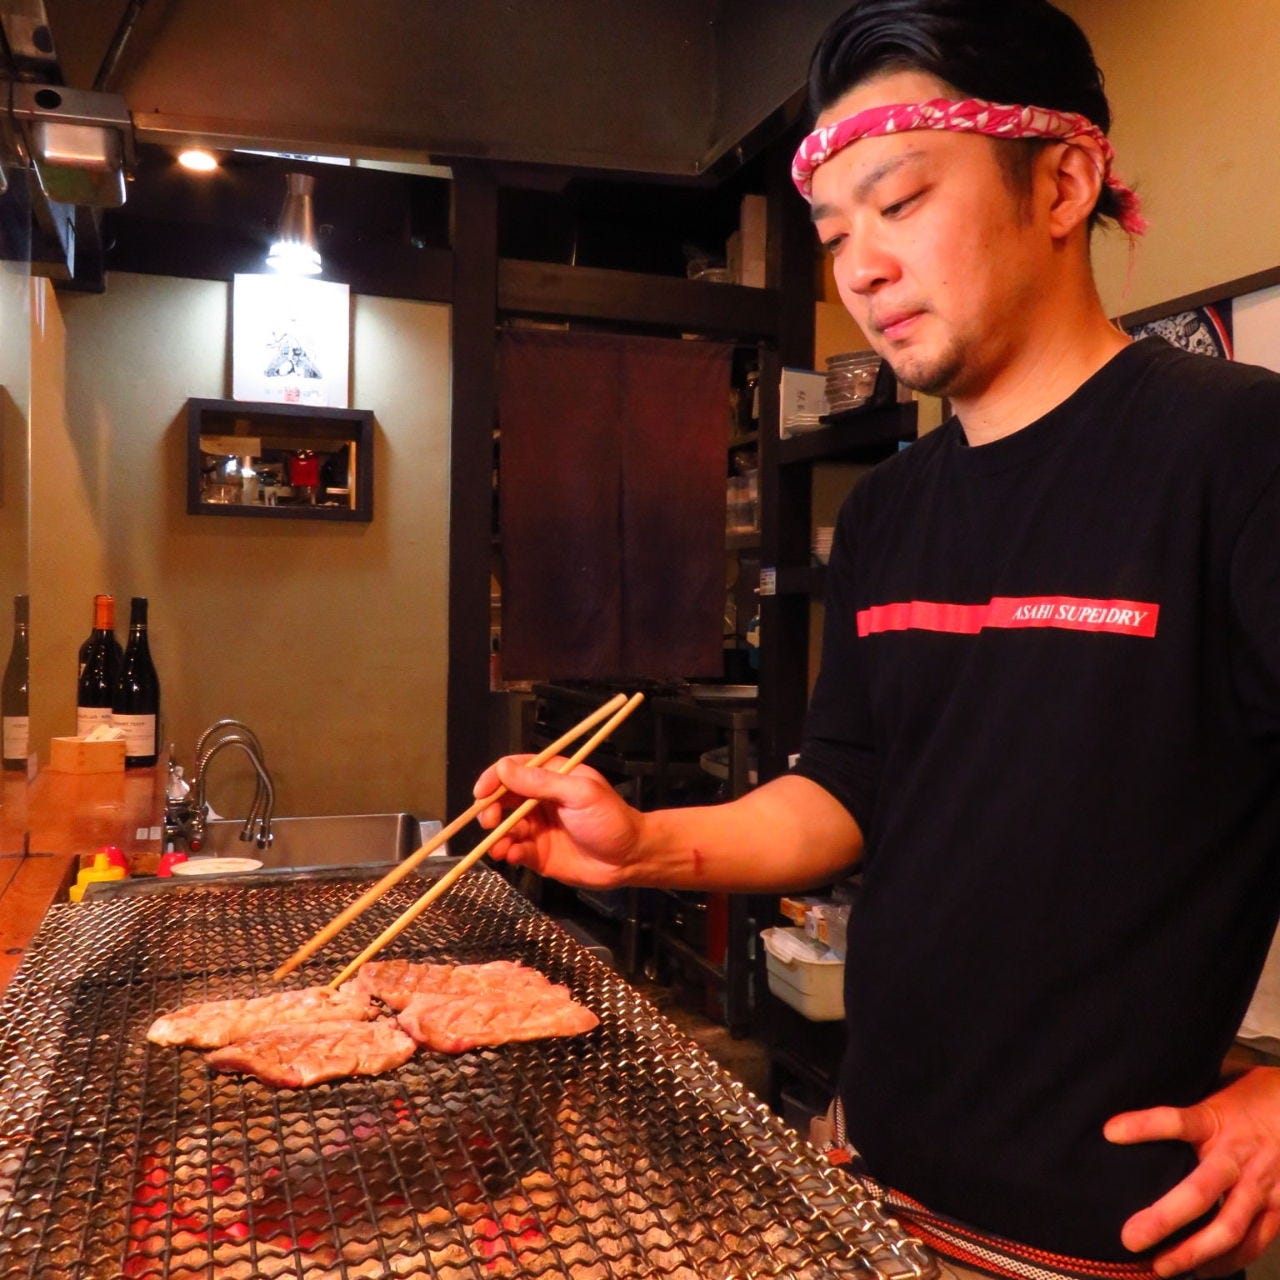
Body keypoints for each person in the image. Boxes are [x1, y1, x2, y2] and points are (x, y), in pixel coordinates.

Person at [474, 2, 1280, 1276]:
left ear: (1063, 181)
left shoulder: (1233, 452)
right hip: (864, 1174)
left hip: (1096, 1235)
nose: (856, 270)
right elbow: (847, 787)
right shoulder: (895, 508)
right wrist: (640, 848)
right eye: (835, 231)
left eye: (898, 203)